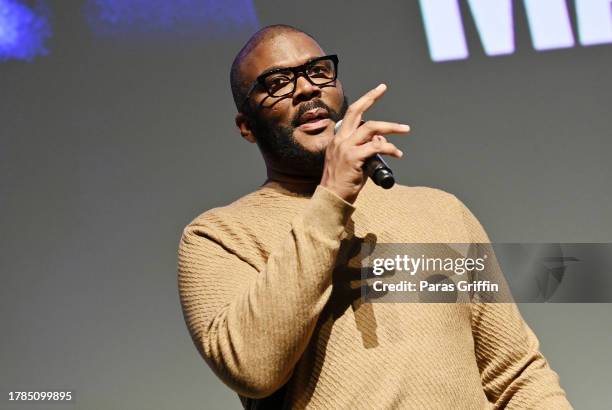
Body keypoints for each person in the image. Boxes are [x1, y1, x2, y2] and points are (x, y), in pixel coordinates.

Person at [177, 24, 572, 409]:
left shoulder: (440, 211)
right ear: (246, 127)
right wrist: (331, 198)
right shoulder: (218, 236)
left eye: (318, 72)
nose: (307, 88)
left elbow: (516, 374)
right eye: (278, 82)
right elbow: (252, 368)